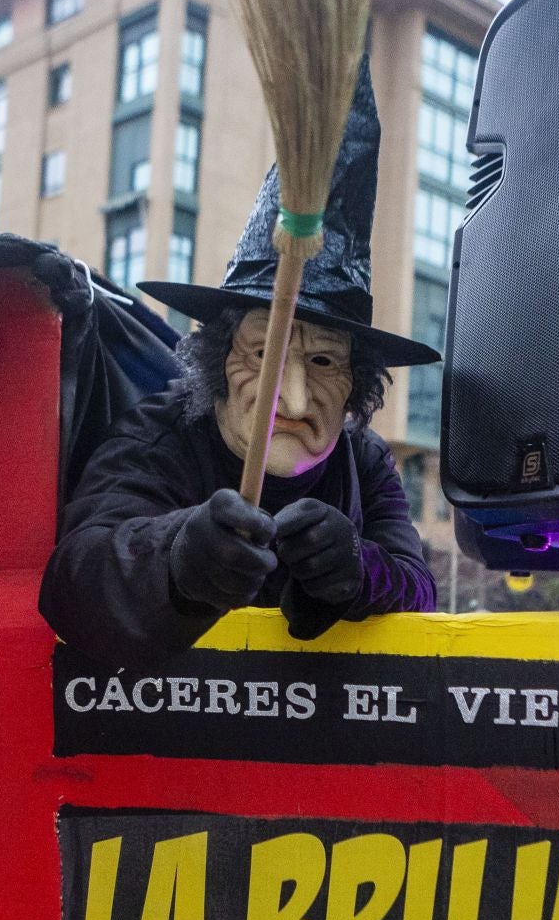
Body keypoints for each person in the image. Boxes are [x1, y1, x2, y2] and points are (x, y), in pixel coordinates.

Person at [41, 61, 436, 667]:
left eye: (326, 360)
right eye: (264, 352)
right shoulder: (161, 435)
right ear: (219, 361)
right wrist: (178, 558)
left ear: (357, 383)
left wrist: (359, 568)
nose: (296, 400)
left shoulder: (365, 459)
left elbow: (418, 586)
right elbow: (75, 578)